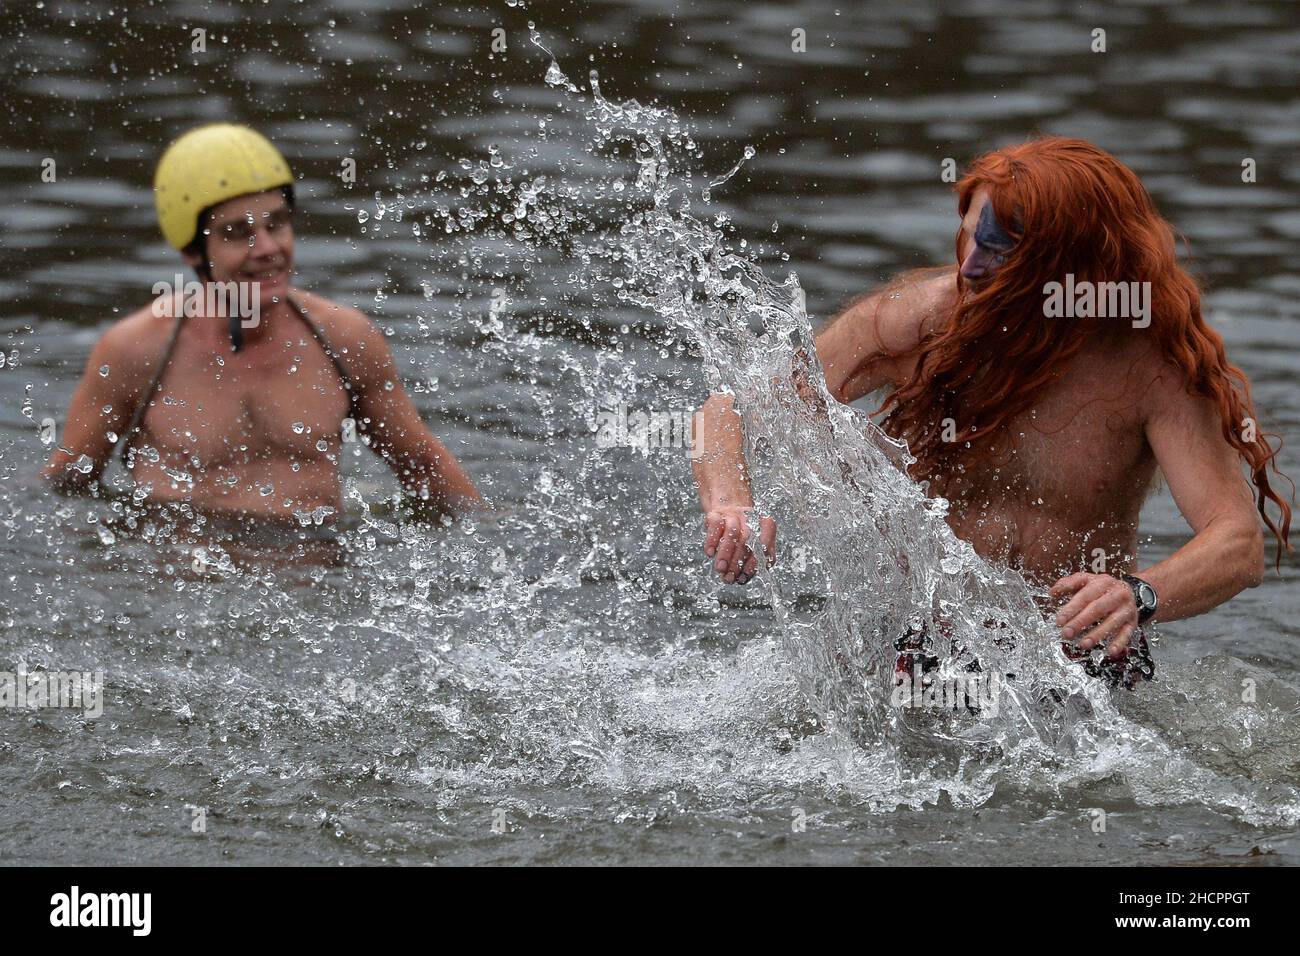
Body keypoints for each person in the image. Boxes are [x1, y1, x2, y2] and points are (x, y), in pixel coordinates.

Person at [692, 136, 1292, 685]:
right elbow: (726, 413)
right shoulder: (921, 321)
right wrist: (731, 505)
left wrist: (1140, 594)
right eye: (972, 235)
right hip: (913, 648)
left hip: (1076, 668)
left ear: (1077, 268)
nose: (971, 267)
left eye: (1003, 252)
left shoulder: (1151, 367)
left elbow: (1237, 545)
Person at [44, 123, 481, 522]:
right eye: (237, 233)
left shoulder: (345, 340)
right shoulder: (136, 352)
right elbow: (64, 487)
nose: (267, 248)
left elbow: (427, 472)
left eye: (278, 224)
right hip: (181, 588)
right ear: (193, 252)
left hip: (315, 582)